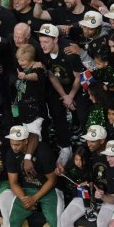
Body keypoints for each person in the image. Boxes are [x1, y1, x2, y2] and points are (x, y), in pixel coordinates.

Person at [5, 125, 59, 227]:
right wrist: (24, 199)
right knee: (13, 218)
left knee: (55, 219)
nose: (14, 147)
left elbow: (52, 180)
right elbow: (13, 182)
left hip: (47, 189)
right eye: (11, 143)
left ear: (26, 141)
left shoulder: (43, 151)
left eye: (17, 144)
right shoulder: (11, 154)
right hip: (26, 189)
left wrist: (35, 198)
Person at [37, 23, 87, 166]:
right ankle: (65, 147)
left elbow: (79, 77)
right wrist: (64, 96)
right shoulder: (44, 54)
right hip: (60, 86)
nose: (43, 46)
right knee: (56, 112)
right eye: (41, 42)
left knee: (83, 114)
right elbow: (52, 76)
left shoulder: (69, 52)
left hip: (77, 85)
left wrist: (70, 96)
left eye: (46, 42)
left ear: (56, 40)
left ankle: (84, 146)